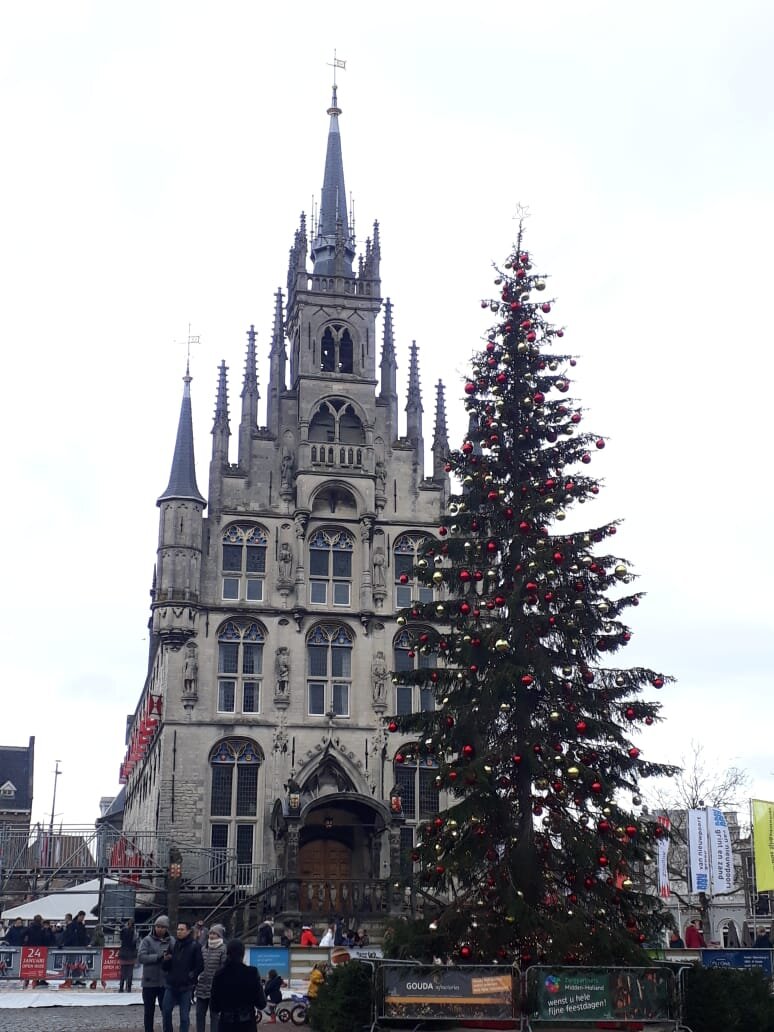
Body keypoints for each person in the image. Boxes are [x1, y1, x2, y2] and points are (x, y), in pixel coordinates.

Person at [211, 938, 266, 1032]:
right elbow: (261, 1003)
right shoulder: (251, 973)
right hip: (247, 1024)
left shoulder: (219, 974)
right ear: (243, 954)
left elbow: (214, 1006)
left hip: (226, 1024)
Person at [161, 919, 204, 1032]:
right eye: (178, 929)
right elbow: (165, 966)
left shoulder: (195, 946)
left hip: (186, 987)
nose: (179, 931)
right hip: (171, 985)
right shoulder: (173, 944)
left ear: (188, 931)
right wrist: (166, 961)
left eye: (182, 929)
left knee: (184, 1017)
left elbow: (200, 966)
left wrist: (191, 977)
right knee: (166, 1012)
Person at [138, 915, 172, 1032]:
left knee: (166, 1011)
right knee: (148, 1012)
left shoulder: (171, 941)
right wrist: (158, 957)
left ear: (166, 928)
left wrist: (170, 959)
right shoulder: (147, 940)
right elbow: (141, 957)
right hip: (149, 982)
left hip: (165, 982)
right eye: (157, 926)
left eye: (162, 927)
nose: (159, 929)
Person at [196, 924, 227, 1032]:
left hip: (215, 989)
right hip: (201, 988)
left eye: (214, 933)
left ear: (219, 935)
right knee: (199, 1015)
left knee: (215, 1016)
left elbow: (224, 968)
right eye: (211, 933)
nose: (212, 935)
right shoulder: (203, 948)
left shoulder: (223, 949)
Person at [119, 918, 138, 993]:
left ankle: (121, 988)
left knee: (123, 972)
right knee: (130, 972)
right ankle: (129, 988)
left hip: (123, 952)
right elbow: (135, 942)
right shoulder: (135, 932)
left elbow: (120, 938)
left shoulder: (123, 930)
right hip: (131, 953)